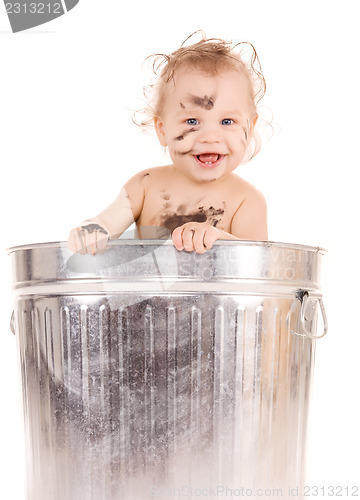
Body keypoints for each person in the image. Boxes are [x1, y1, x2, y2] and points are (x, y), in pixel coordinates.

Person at [67, 33, 268, 255]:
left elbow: (257, 265)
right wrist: (92, 230)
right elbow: (106, 223)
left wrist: (218, 238)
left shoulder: (246, 200)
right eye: (192, 121)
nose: (211, 137)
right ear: (162, 129)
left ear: (250, 129)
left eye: (227, 121)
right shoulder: (145, 185)